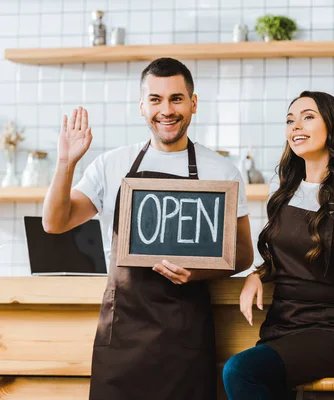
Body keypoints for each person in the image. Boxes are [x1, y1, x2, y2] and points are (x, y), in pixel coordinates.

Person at [41, 57, 254, 400]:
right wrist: (66, 163)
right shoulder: (112, 164)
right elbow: (55, 222)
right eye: (155, 99)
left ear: (193, 103)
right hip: (122, 334)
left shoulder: (221, 171)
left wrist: (196, 273)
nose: (166, 110)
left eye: (176, 98)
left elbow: (243, 253)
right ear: (142, 106)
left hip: (185, 340)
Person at [222, 91, 334, 399]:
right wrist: (257, 274)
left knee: (240, 370)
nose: (295, 127)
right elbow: (279, 253)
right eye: (290, 120)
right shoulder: (280, 188)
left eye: (308, 117)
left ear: (332, 127)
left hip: (332, 331)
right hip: (282, 324)